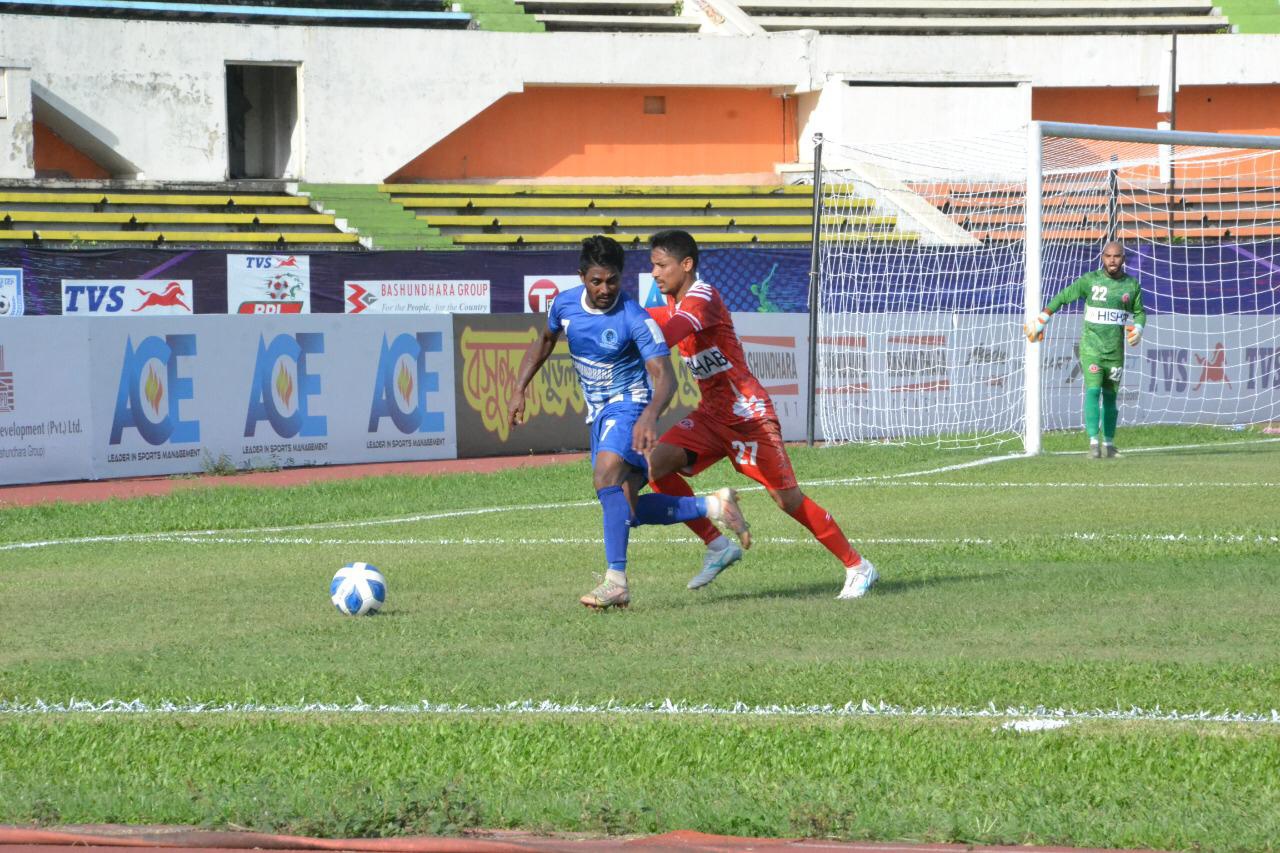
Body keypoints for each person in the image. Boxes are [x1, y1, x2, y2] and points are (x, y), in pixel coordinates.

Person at [508, 235, 751, 611]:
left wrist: (649, 416)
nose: (605, 290)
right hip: (599, 412)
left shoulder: (634, 318)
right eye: (597, 281)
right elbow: (544, 341)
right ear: (582, 277)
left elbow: (664, 377)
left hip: (631, 406)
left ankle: (615, 582)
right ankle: (712, 507)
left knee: (605, 476)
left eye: (613, 281)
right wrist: (519, 388)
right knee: (626, 510)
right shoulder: (565, 305)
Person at [642, 229, 879, 600]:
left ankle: (857, 565)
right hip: (710, 417)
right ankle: (718, 545)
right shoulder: (673, 304)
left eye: (660, 265)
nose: (654, 273)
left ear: (685, 265)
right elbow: (643, 318)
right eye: (652, 266)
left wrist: (633, 336)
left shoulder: (702, 298)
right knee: (652, 467)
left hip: (748, 417)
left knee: (788, 500)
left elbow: (667, 335)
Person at [1025, 240, 1146, 458]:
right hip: (1091, 348)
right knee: (1093, 390)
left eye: (1117, 256)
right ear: (1102, 257)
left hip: (1115, 351)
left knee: (1111, 396)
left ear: (1123, 259)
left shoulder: (1131, 285)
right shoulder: (1090, 281)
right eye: (1108, 256)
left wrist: (1138, 328)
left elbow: (1139, 312)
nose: (1112, 260)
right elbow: (1063, 297)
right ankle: (1093, 444)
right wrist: (1043, 317)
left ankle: (1109, 445)